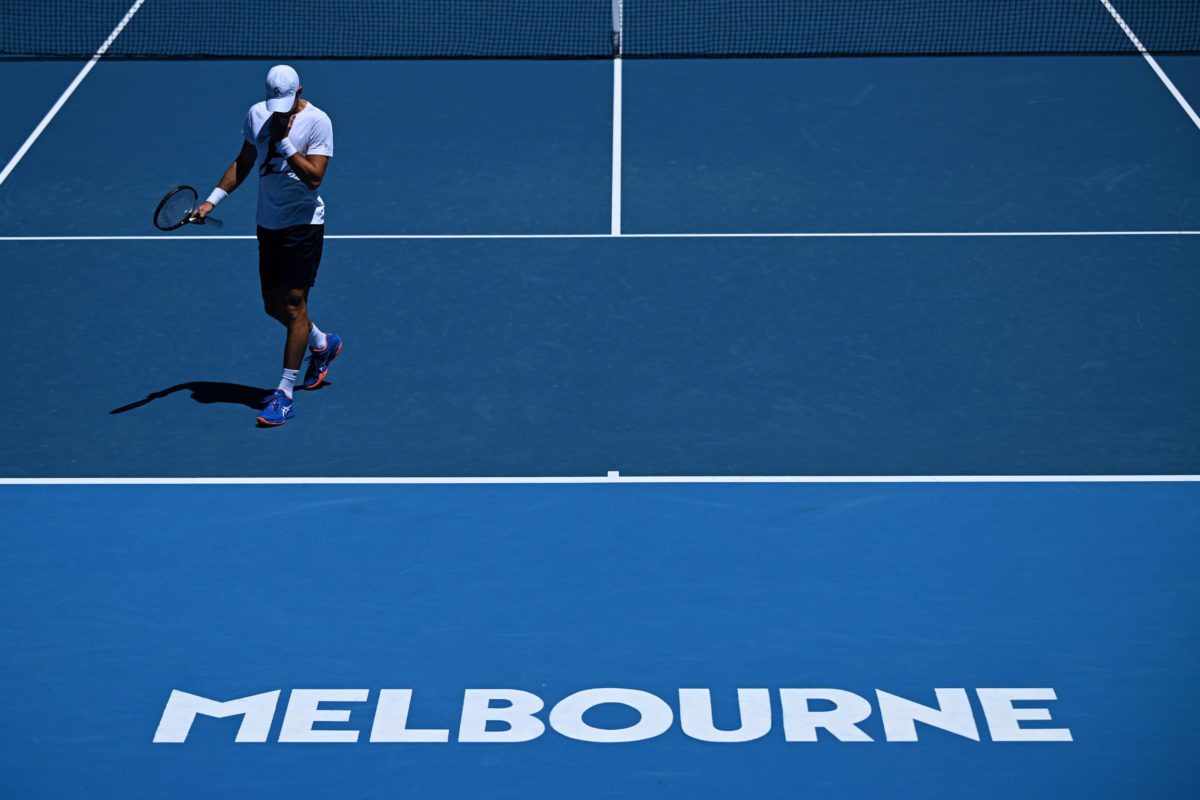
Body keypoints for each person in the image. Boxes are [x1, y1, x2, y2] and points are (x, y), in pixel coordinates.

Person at [194, 64, 341, 426]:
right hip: (268, 223)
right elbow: (244, 162)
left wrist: (284, 142)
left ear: (301, 91)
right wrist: (212, 200)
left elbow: (315, 178)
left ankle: (285, 393)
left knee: (294, 306)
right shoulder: (257, 115)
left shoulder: (319, 121)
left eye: (288, 104)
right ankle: (322, 343)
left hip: (303, 225)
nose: (281, 112)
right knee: (272, 306)